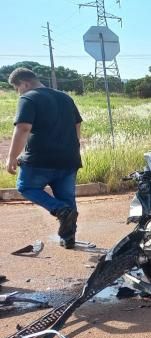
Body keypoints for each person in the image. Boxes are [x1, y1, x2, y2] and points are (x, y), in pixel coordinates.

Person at [5, 68, 83, 249]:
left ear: (24, 83)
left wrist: (11, 157)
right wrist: (72, 146)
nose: (19, 92)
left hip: (39, 160)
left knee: (26, 186)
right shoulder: (65, 97)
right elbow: (77, 124)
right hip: (69, 158)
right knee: (67, 198)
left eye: (17, 88)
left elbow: (23, 128)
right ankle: (68, 238)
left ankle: (59, 210)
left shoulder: (28, 97)